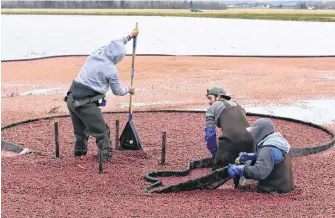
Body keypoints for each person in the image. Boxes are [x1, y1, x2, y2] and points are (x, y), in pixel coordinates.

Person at [65, 27, 139, 161]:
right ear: (117, 58)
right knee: (102, 132)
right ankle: (105, 162)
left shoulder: (96, 53)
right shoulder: (111, 70)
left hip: (71, 98)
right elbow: (117, 91)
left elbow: (114, 43)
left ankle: (78, 156)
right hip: (85, 103)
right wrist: (129, 89)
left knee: (81, 132)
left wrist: (129, 36)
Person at [228, 118, 294, 194]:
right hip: (286, 188)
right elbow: (272, 158)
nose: (251, 134)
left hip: (273, 192)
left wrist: (240, 169)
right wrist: (251, 156)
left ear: (259, 133)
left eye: (253, 132)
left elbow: (260, 172)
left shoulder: (266, 150)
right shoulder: (279, 143)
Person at [204, 87, 254, 171]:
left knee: (218, 170)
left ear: (218, 97)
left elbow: (210, 135)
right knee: (242, 164)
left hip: (231, 140)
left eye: (210, 98)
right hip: (251, 140)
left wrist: (216, 155)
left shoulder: (212, 108)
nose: (209, 102)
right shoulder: (239, 106)